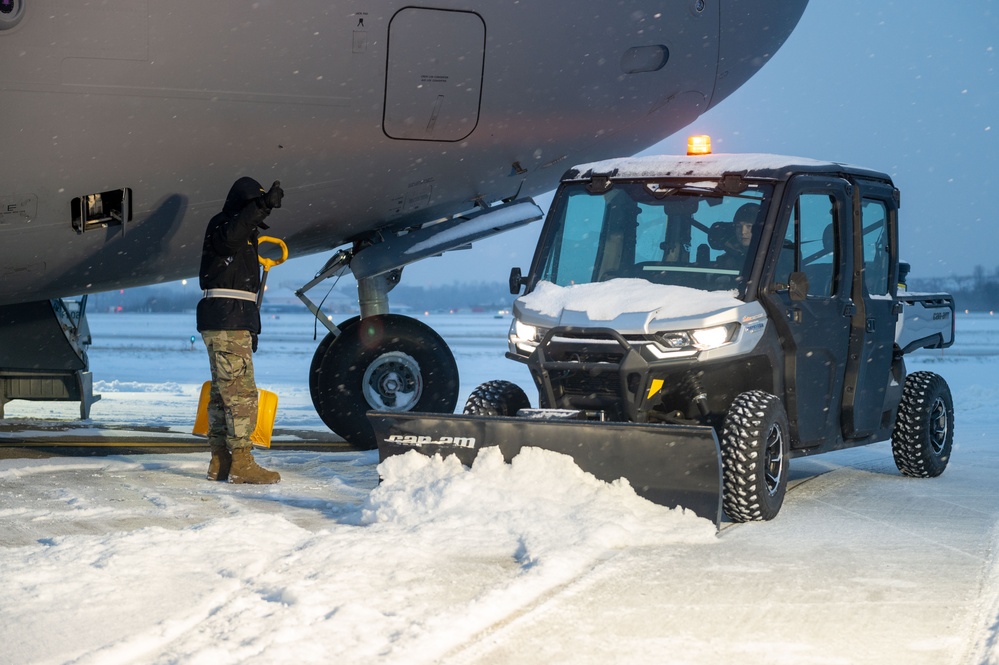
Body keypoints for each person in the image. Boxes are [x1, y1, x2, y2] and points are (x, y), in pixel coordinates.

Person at [197, 177, 284, 484]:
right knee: (241, 395)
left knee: (223, 395)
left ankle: (220, 461)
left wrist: (252, 327)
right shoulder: (224, 227)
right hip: (227, 322)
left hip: (231, 320)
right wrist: (262, 206)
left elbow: (244, 291)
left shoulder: (242, 235)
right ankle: (242, 463)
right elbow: (231, 236)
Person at [716, 202, 760, 270]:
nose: (743, 232)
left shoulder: (777, 256)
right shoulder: (725, 260)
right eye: (739, 227)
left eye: (749, 226)